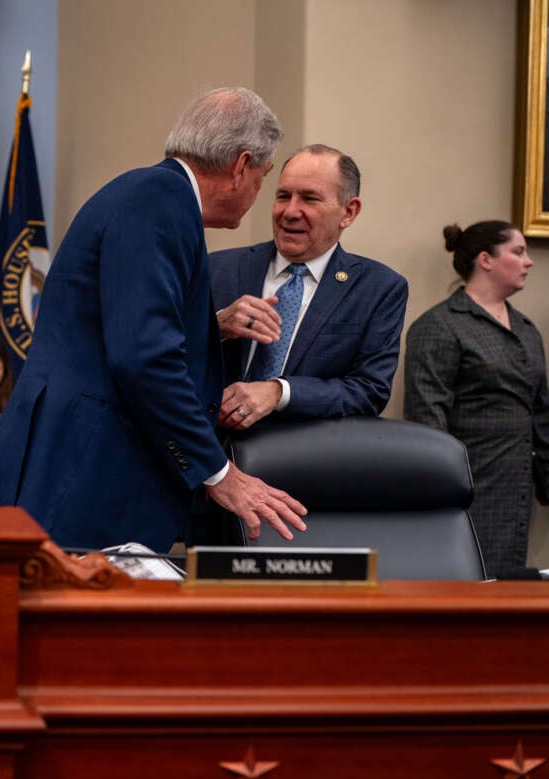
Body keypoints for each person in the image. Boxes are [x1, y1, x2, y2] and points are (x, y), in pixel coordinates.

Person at [0, 87, 307, 553]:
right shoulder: (160, 203)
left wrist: (210, 326)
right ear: (240, 166)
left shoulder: (150, 194)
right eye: (264, 178)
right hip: (84, 473)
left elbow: (115, 325)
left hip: (81, 467)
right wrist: (218, 472)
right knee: (77, 622)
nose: (258, 192)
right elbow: (142, 358)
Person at [210, 145, 408, 429]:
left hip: (302, 462)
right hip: (208, 456)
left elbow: (369, 390)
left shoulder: (379, 288)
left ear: (349, 212)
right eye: (283, 196)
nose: (290, 211)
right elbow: (164, 354)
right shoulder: (218, 269)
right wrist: (216, 326)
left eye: (309, 198)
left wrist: (280, 392)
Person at [404, 220, 549, 577]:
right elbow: (427, 419)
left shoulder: (526, 329)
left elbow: (540, 412)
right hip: (469, 491)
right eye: (518, 252)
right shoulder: (440, 325)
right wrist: (443, 493)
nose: (528, 261)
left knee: (509, 593)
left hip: (517, 491)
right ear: (486, 260)